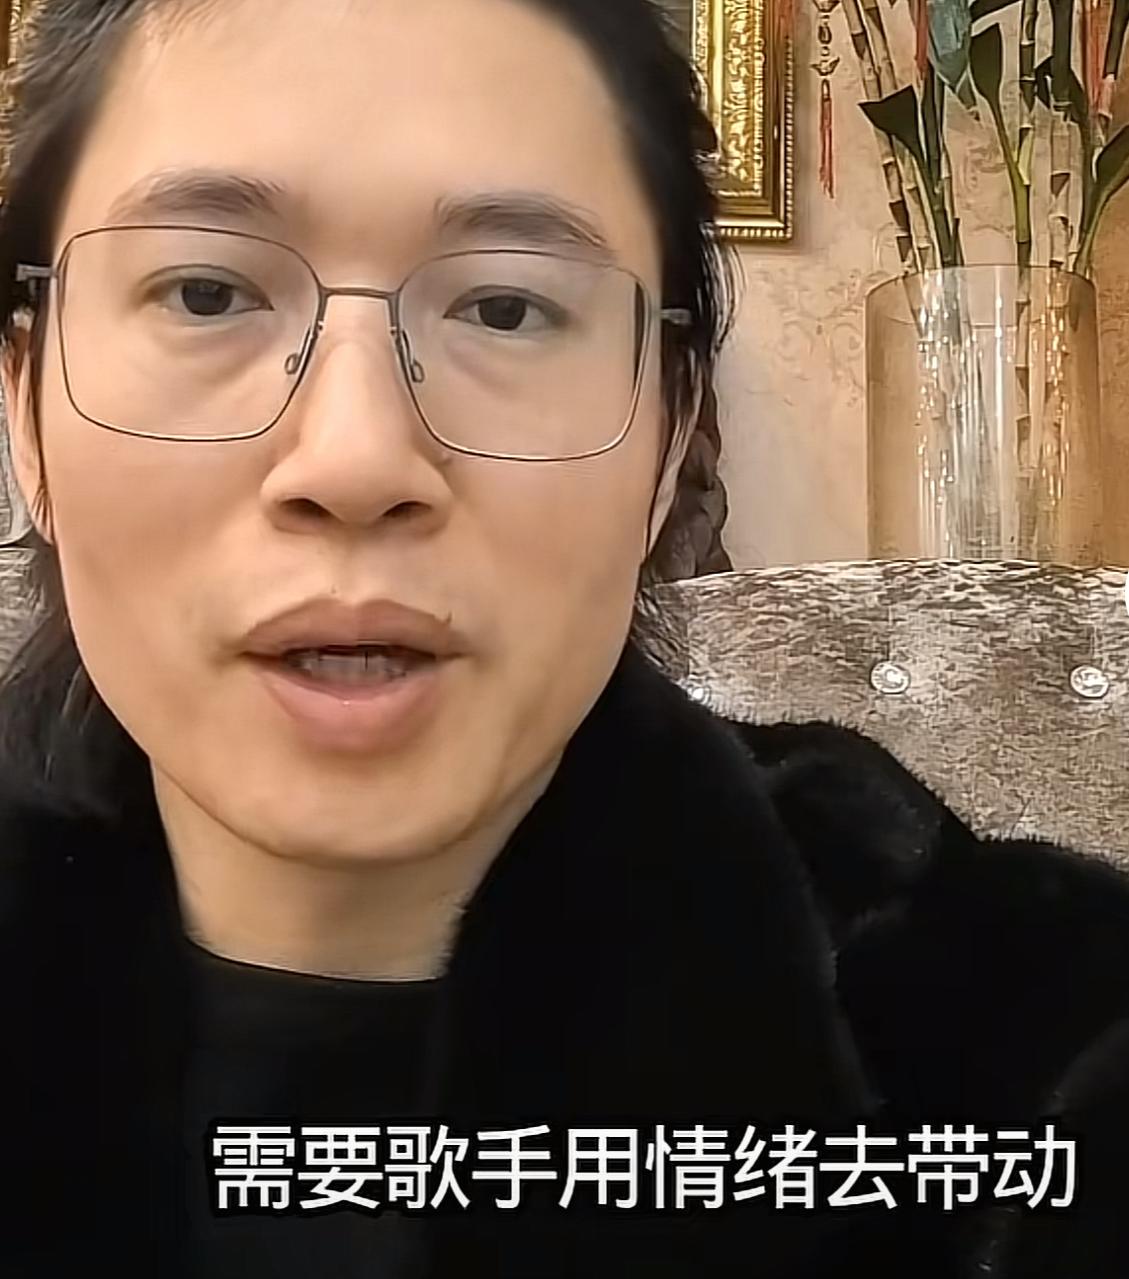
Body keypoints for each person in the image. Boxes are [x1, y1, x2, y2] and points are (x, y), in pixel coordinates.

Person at [0, 1, 1127, 1275]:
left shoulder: (1046, 1058)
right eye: (206, 291)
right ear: (26, 412)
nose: (357, 458)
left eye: (504, 308)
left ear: (669, 436)